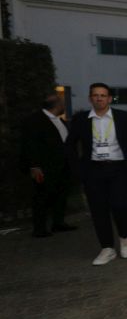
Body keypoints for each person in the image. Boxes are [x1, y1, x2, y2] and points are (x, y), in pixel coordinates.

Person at [66, 83, 127, 266]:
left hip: (119, 169)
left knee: (119, 204)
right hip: (93, 170)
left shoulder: (124, 117)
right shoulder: (81, 119)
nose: (99, 98)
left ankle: (125, 238)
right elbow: (70, 145)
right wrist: (77, 168)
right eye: (95, 95)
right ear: (90, 98)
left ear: (109, 98)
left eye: (103, 95)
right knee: (98, 209)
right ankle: (107, 248)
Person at [20, 92, 74, 237]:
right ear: (56, 105)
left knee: (61, 194)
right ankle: (39, 228)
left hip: (62, 166)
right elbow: (29, 144)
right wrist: (34, 166)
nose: (64, 106)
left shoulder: (59, 120)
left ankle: (58, 223)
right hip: (45, 167)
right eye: (62, 103)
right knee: (42, 197)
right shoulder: (34, 120)